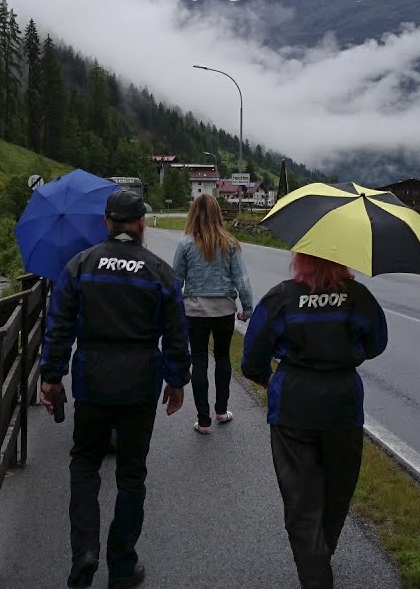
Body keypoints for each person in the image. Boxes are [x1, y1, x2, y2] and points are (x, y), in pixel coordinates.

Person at [40, 189, 191, 589]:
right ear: (140, 224)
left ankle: (84, 553)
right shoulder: (160, 272)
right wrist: (177, 381)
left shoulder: (80, 265)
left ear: (107, 223)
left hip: (92, 379)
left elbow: (58, 327)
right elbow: (177, 334)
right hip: (140, 383)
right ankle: (122, 565)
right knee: (131, 475)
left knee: (85, 464)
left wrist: (51, 376)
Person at [241, 252, 388, 589]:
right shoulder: (359, 297)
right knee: (338, 492)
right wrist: (342, 354)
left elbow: (252, 356)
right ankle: (320, 559)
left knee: (300, 500)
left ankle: (314, 569)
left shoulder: (282, 296)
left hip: (293, 405)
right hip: (343, 405)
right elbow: (376, 343)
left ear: (300, 257)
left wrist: (266, 376)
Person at [172, 193, 253, 434]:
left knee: (198, 361)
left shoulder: (185, 244)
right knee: (223, 358)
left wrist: (174, 311)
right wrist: (247, 309)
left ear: (193, 214)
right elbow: (242, 280)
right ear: (218, 214)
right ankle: (221, 410)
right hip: (224, 311)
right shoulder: (230, 243)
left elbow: (175, 280)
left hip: (194, 312)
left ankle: (203, 420)